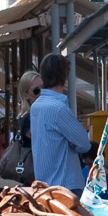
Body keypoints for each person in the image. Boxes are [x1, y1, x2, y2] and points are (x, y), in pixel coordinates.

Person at [29, 53, 93, 189]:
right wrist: (72, 143)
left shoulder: (36, 107)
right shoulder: (59, 109)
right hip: (66, 185)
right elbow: (85, 144)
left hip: (44, 186)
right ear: (65, 77)